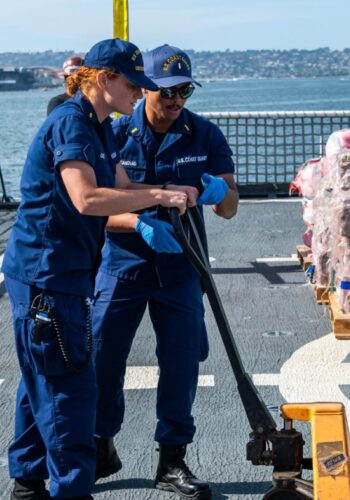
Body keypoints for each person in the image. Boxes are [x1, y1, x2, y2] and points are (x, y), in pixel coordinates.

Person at [2, 38, 196, 500]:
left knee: (40, 380)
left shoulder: (104, 128)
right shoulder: (70, 124)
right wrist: (158, 198)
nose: (139, 94)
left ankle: (27, 481)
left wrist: (171, 189)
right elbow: (86, 198)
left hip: (60, 274)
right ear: (104, 80)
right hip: (49, 276)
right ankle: (72, 490)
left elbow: (123, 184)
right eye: (134, 84)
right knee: (69, 389)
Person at [92, 44, 238, 500]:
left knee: (180, 366)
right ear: (147, 88)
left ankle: (172, 461)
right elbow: (93, 208)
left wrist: (216, 190)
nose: (176, 101)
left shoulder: (205, 135)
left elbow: (230, 207)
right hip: (123, 265)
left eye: (185, 91)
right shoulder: (114, 133)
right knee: (101, 358)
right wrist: (137, 220)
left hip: (181, 268)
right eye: (168, 91)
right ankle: (99, 445)